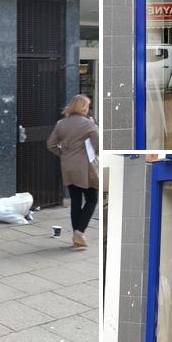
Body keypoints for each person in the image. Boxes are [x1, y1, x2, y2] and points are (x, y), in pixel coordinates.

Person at [47, 94, 99, 249]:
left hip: (68, 166)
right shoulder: (88, 124)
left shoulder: (61, 123)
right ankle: (79, 232)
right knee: (91, 198)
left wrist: (63, 153)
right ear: (83, 107)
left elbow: (51, 144)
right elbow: (98, 146)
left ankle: (77, 236)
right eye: (87, 106)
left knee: (75, 200)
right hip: (85, 167)